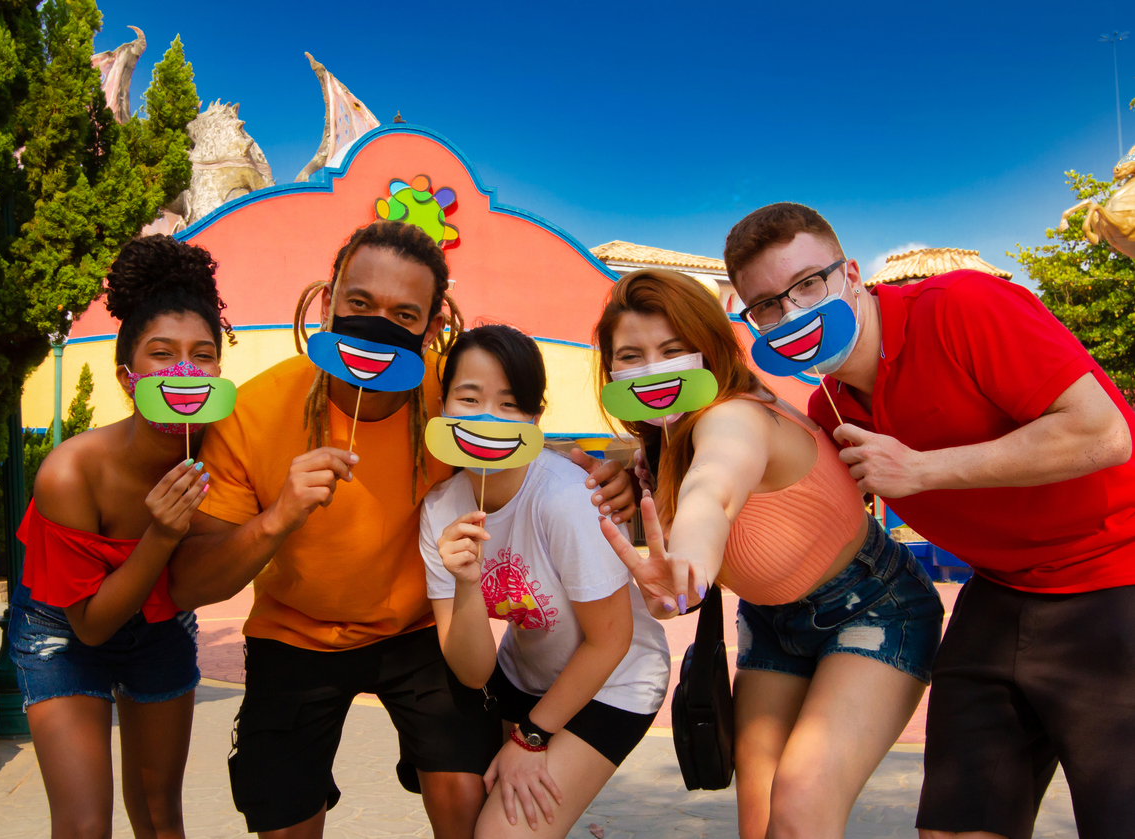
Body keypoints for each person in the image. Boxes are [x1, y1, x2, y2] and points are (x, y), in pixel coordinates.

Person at [166, 220, 637, 839]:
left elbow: (522, 432)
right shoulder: (253, 411)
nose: (376, 324)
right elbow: (189, 585)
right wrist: (276, 519)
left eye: (403, 312)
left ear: (433, 325)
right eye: (359, 303)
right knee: (283, 819)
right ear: (327, 298)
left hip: (422, 631)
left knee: (468, 799)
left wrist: (613, 467)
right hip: (294, 636)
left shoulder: (455, 396)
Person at [722, 202, 1135, 839]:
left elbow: (1103, 434)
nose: (792, 312)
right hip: (1000, 594)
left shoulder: (965, 306)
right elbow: (770, 487)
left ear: (850, 274)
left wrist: (925, 469)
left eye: (808, 284)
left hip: (1117, 580)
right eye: (767, 305)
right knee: (953, 828)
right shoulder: (829, 410)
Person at [593, 268, 944, 839]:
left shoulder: (734, 416)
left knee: (802, 806)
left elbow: (716, 487)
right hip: (771, 621)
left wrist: (686, 564)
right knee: (759, 821)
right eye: (631, 354)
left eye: (673, 349)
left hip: (873, 609)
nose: (653, 367)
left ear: (709, 349)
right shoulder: (661, 440)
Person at [8, 234, 233, 839]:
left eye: (203, 354)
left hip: (159, 623)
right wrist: (160, 535)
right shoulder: (70, 472)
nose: (184, 370)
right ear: (125, 372)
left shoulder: (227, 451)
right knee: (84, 826)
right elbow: (91, 624)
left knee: (161, 817)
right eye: (162, 354)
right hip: (64, 629)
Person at [422, 324, 670, 838]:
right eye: (469, 398)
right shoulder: (439, 510)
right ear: (442, 406)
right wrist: (466, 584)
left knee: (502, 833)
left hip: (616, 681)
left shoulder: (565, 499)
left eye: (509, 404)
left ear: (535, 418)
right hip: (525, 677)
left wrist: (531, 739)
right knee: (467, 806)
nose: (487, 417)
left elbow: (611, 641)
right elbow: (472, 672)